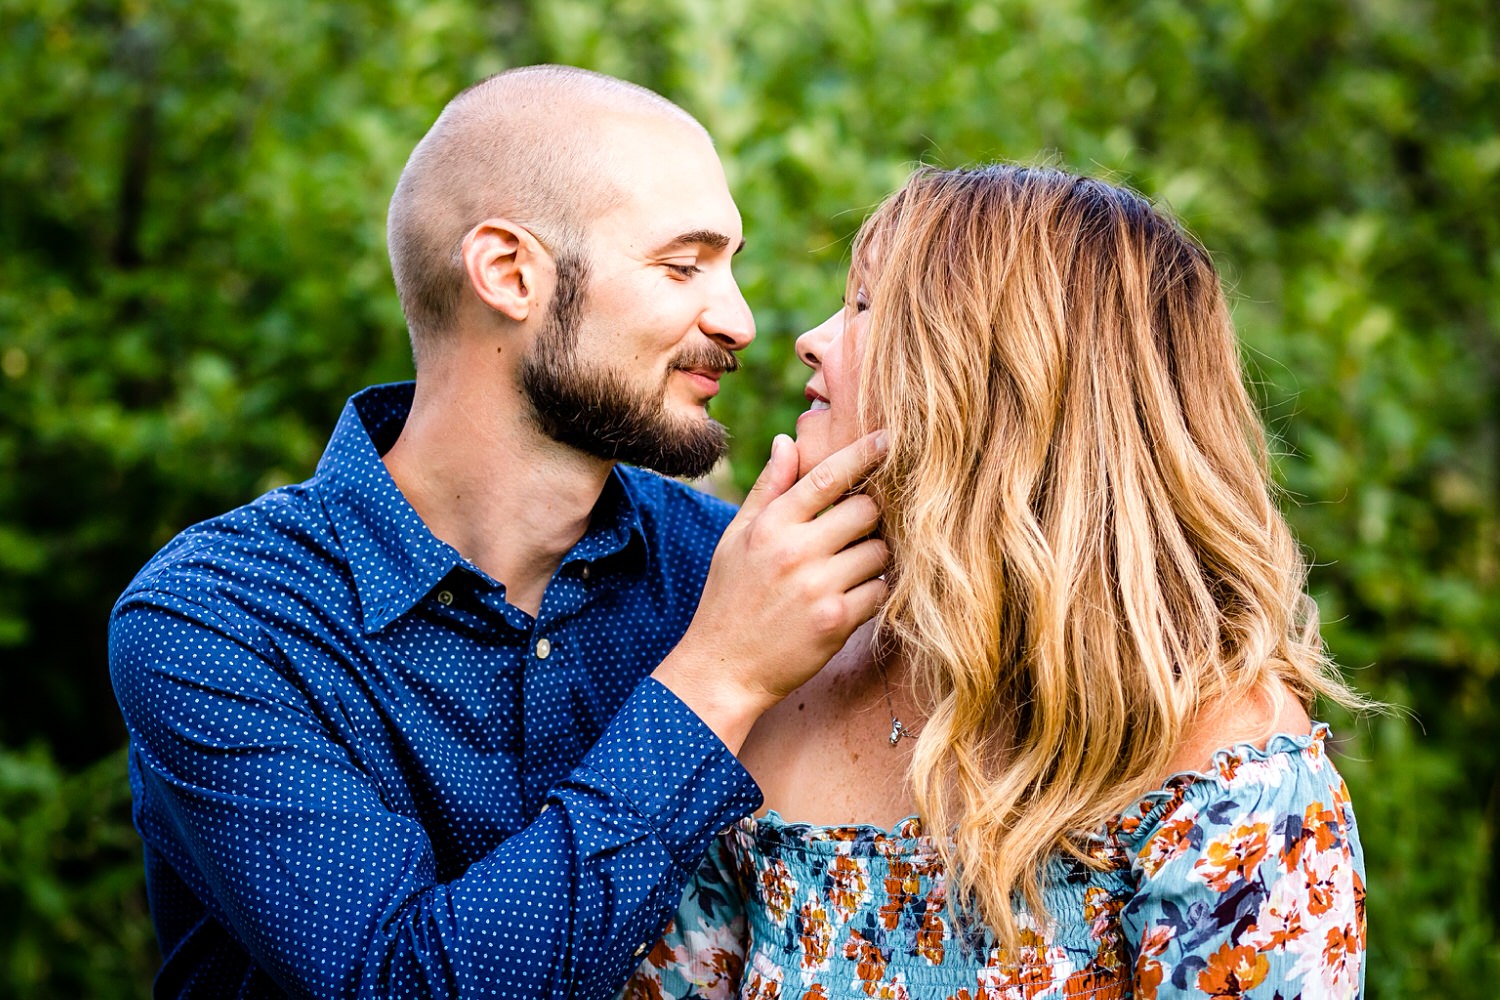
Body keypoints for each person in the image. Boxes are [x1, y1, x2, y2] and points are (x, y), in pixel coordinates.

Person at [108, 66, 890, 998]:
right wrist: (717, 680)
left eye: (730, 266)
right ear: (509, 273)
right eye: (683, 266)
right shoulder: (217, 623)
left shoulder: (729, 570)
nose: (741, 320)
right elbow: (402, 986)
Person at [624, 164, 1369, 999]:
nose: (812, 336)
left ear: (995, 377)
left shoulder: (1223, 759)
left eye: (867, 306)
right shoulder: (787, 689)